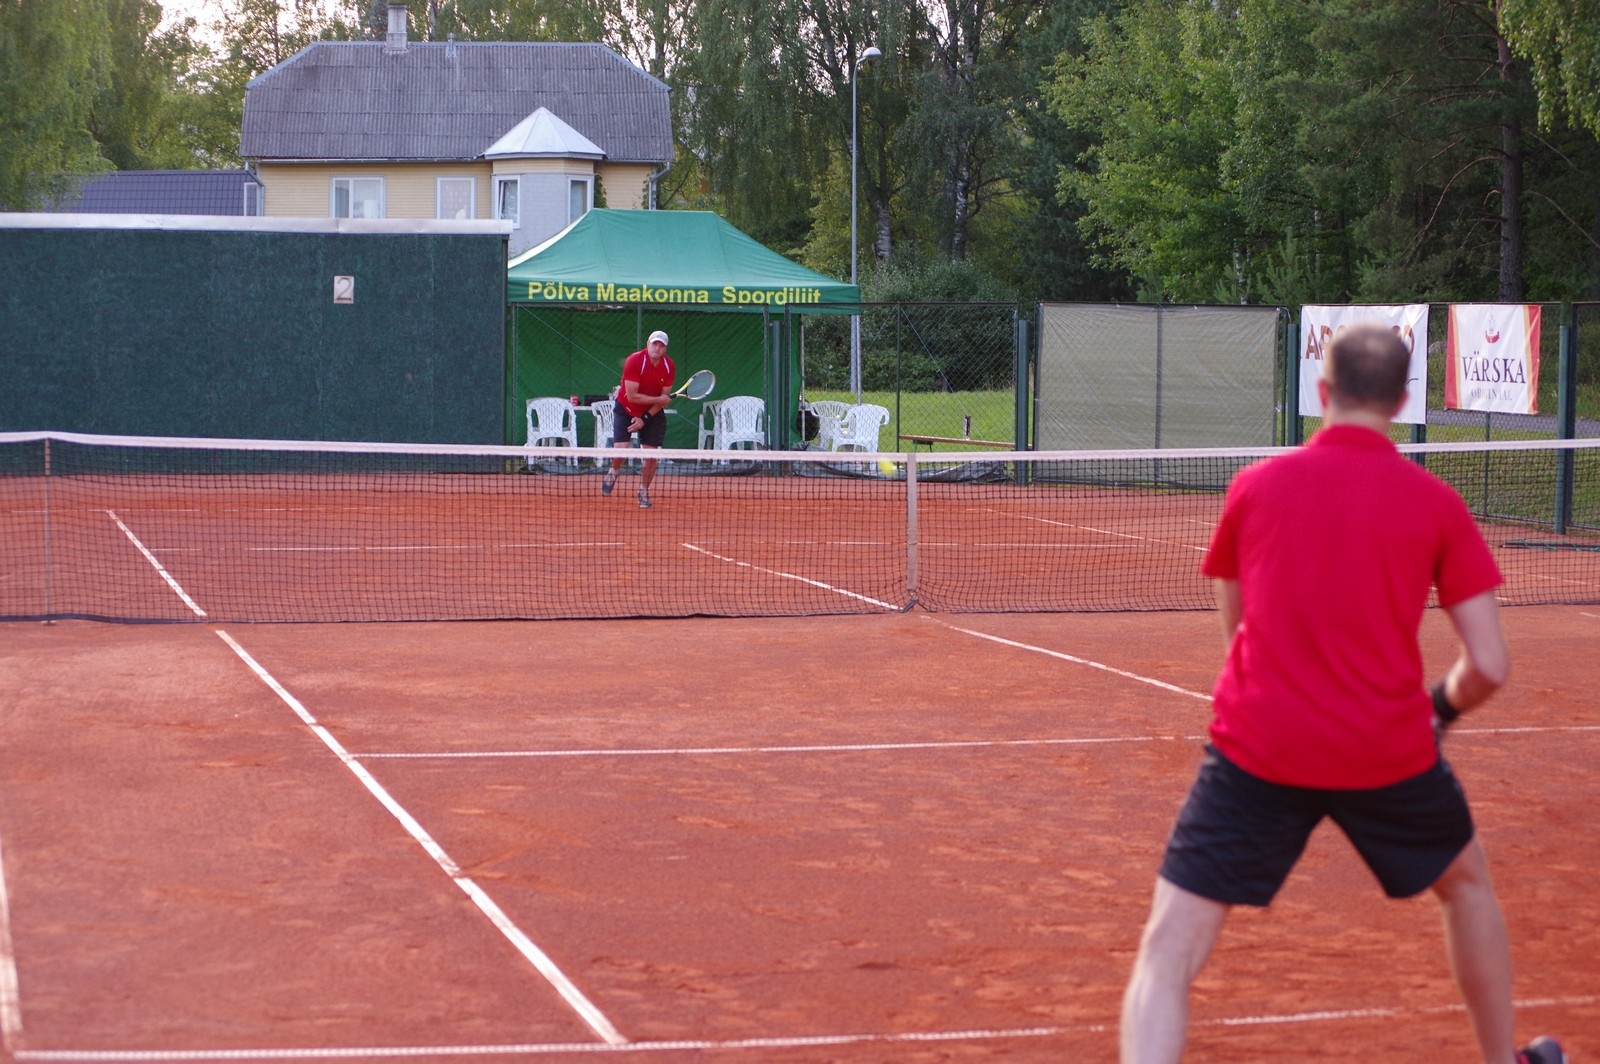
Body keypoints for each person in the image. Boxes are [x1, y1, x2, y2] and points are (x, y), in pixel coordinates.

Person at [1119, 323, 1565, 1064]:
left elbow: (1238, 629)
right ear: (1402, 400)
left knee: (1168, 950)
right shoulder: (1435, 502)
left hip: (1259, 746)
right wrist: (1438, 710)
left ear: (1323, 392)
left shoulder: (1256, 486)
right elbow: (1488, 664)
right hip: (1388, 749)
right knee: (1466, 888)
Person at [601, 329, 675, 509]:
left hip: (652, 412)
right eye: (654, 344)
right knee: (621, 451)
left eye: (661, 345)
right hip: (626, 408)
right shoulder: (634, 361)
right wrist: (659, 400)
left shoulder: (669, 366)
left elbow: (662, 401)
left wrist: (645, 417)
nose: (657, 348)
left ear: (665, 349)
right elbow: (633, 396)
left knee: (651, 456)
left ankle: (643, 491)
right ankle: (614, 470)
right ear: (648, 344)